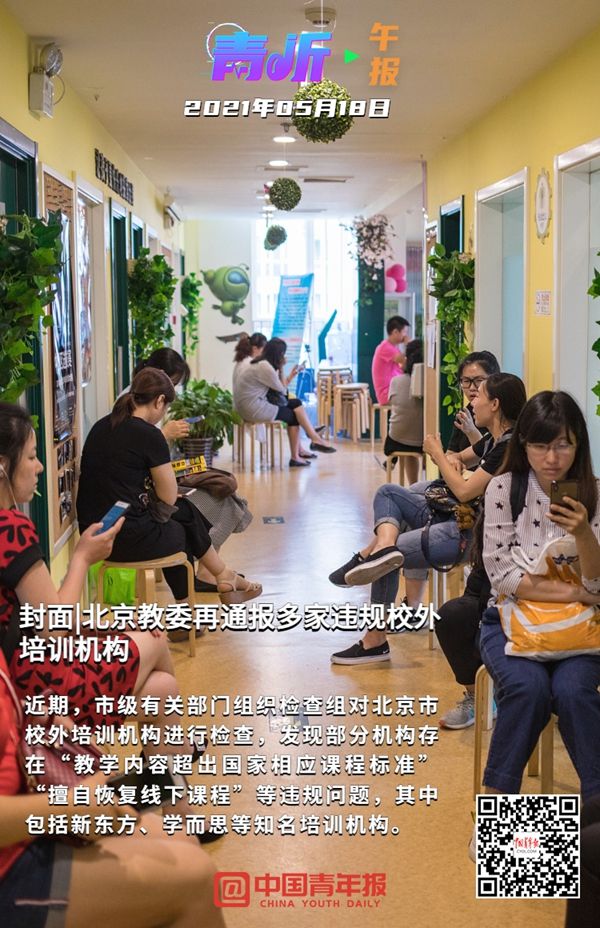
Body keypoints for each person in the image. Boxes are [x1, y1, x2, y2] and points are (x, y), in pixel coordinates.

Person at [0, 647, 226, 928]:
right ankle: (179, 754)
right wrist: (70, 806)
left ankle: (178, 793)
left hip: (30, 792)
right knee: (197, 878)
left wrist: (42, 716)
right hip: (12, 857)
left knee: (185, 840)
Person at [329, 373, 527, 665]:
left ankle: (374, 639)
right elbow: (459, 459)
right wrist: (451, 460)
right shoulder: (492, 440)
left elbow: (464, 490)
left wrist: (438, 454)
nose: (473, 401)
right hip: (455, 516)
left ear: (495, 404)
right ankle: (381, 547)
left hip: (467, 532)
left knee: (388, 558)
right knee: (388, 493)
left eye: (479, 394)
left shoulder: (506, 447)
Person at [479, 391, 600, 801]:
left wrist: (583, 534)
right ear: (524, 444)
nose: (552, 457)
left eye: (563, 444)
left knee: (575, 692)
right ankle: (497, 810)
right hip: (509, 621)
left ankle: (595, 812)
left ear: (578, 444)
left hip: (579, 632)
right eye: (540, 445)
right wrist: (578, 593)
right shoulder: (504, 488)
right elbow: (504, 578)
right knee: (527, 690)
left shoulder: (595, 494)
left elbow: (599, 587)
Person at [76, 368, 261, 606]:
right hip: (124, 540)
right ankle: (205, 590)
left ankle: (219, 579)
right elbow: (169, 497)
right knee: (182, 527)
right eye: (165, 408)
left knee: (184, 513)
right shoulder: (149, 435)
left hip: (92, 535)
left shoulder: (101, 426)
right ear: (159, 400)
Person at [233, 337, 335, 467]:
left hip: (248, 406)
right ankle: (301, 451)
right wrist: (281, 367)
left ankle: (312, 439)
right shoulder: (265, 367)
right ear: (279, 355)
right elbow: (282, 390)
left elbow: (280, 389)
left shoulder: (259, 363)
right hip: (253, 409)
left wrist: (283, 370)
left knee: (295, 403)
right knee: (294, 416)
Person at [384, 339, 424, 485]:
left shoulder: (396, 381)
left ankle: (410, 483)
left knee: (398, 420)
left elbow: (393, 403)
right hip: (423, 441)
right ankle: (415, 485)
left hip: (397, 439)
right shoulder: (431, 383)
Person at [447, 350, 500, 455]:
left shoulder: (501, 414)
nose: (472, 388)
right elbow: (451, 454)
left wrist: (471, 431)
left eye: (479, 380)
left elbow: (491, 458)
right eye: (466, 381)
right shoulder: (465, 413)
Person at [371, 315, 410, 406]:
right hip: (387, 394)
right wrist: (408, 345)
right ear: (395, 332)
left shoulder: (393, 348)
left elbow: (404, 366)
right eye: (404, 332)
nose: (405, 335)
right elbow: (403, 361)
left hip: (392, 390)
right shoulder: (385, 347)